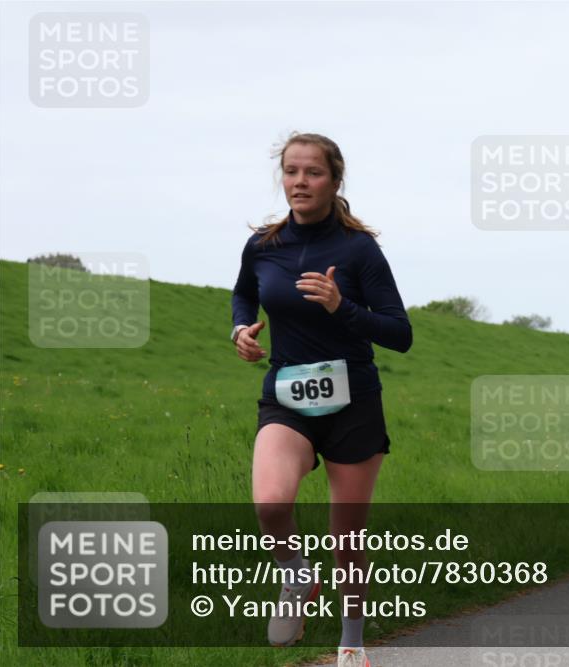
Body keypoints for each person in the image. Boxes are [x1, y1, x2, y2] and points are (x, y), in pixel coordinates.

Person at [232, 132, 412, 665]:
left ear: (335, 181)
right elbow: (244, 292)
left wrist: (341, 307)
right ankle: (296, 576)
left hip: (353, 402)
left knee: (347, 540)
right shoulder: (263, 245)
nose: (300, 182)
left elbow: (399, 333)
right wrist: (241, 328)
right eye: (291, 171)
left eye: (313, 172)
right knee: (270, 504)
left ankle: (351, 645)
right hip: (287, 396)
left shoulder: (359, 250)